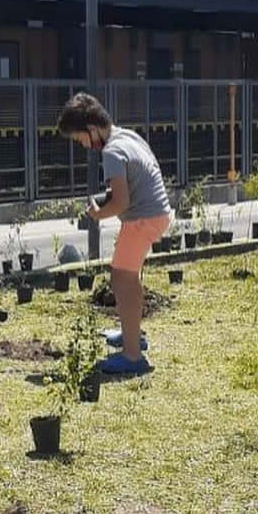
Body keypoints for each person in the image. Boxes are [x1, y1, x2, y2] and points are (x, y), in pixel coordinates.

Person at [57, 93, 171, 376]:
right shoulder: (127, 136)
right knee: (127, 278)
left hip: (141, 219)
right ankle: (131, 334)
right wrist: (109, 201)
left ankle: (132, 356)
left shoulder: (111, 153)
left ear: (92, 128)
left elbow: (121, 203)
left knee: (122, 278)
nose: (83, 145)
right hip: (156, 213)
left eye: (79, 138)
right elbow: (133, 183)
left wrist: (98, 214)